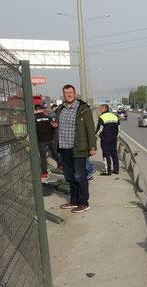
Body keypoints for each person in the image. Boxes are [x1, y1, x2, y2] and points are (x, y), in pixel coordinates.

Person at [53, 84, 96, 213]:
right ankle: (74, 201)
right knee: (70, 176)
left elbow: (90, 128)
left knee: (79, 176)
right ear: (63, 94)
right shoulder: (60, 109)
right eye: (66, 93)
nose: (69, 95)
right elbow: (57, 123)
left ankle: (84, 203)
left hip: (78, 148)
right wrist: (53, 124)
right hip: (64, 147)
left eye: (71, 92)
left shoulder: (83, 109)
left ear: (75, 93)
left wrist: (92, 146)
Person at [34, 104, 61, 181]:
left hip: (41, 140)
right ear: (42, 110)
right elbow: (54, 126)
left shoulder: (34, 119)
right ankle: (60, 165)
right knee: (54, 152)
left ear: (35, 110)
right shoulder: (48, 118)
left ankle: (44, 173)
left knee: (43, 157)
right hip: (50, 139)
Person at [95, 104, 120, 176]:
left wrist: (95, 137)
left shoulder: (102, 117)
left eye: (100, 109)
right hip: (113, 139)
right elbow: (119, 129)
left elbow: (100, 129)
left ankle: (107, 171)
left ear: (103, 109)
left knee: (106, 155)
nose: (99, 110)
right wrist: (116, 137)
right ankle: (116, 169)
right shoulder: (114, 116)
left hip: (105, 140)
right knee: (114, 154)